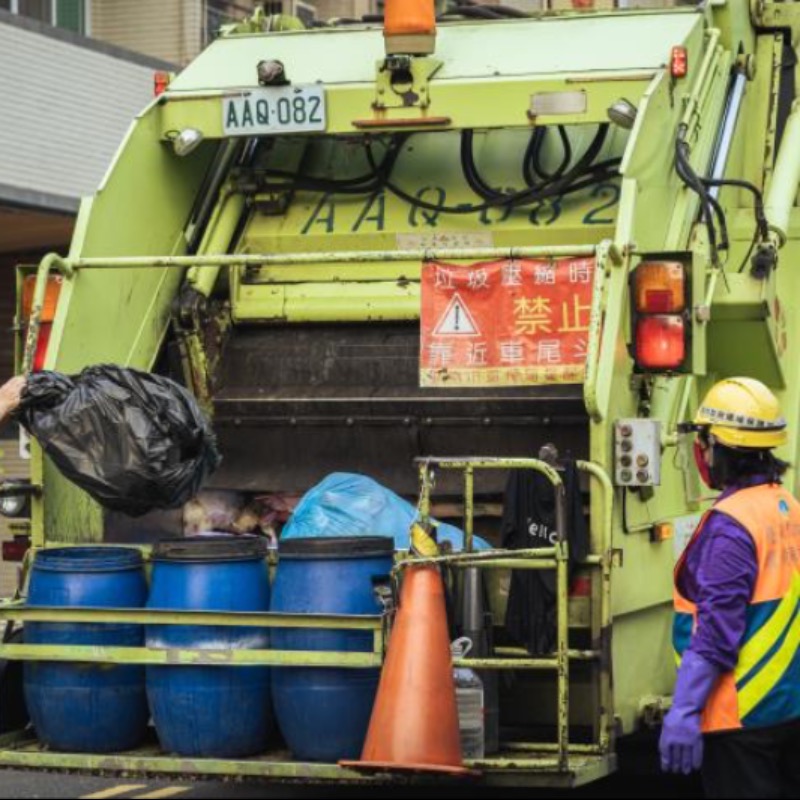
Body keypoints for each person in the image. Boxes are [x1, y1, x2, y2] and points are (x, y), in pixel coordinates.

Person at [660, 377, 800, 799]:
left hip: (740, 718)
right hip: (787, 710)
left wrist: (684, 710)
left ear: (717, 448)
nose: (699, 453)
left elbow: (717, 629)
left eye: (702, 443)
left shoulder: (732, 526)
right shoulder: (786, 506)